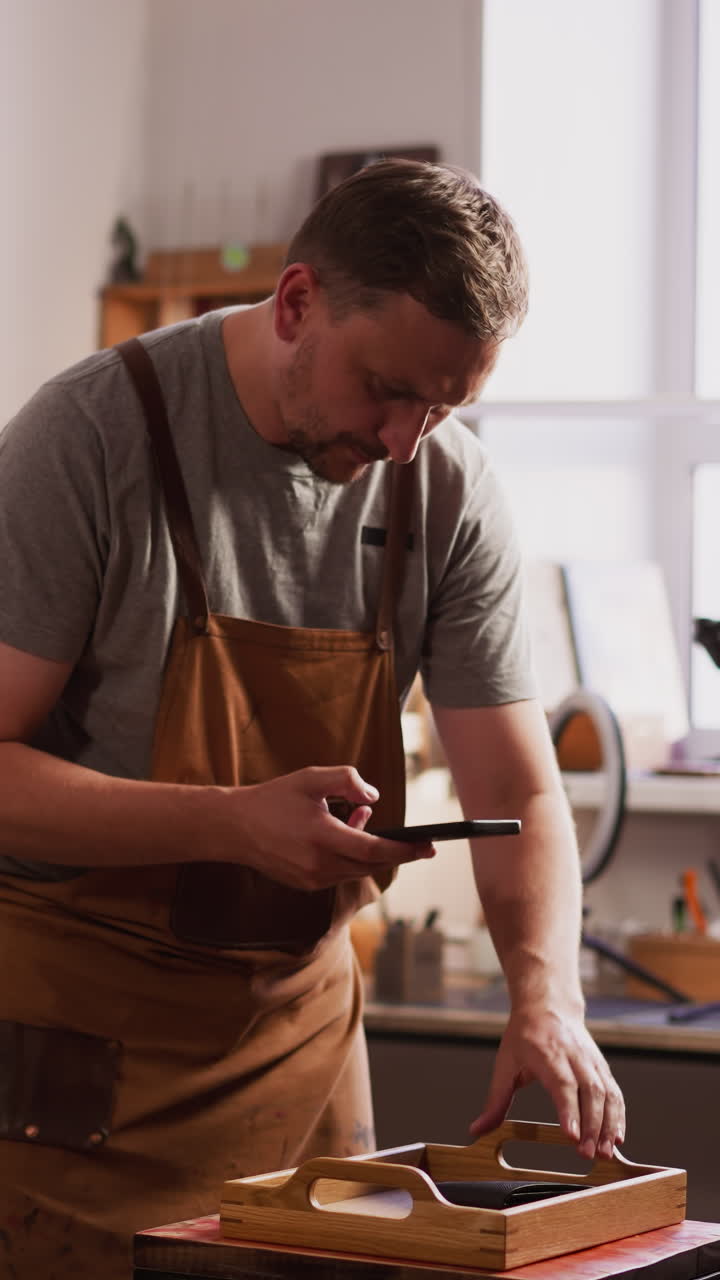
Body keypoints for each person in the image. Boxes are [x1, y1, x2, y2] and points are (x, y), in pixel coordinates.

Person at [0, 159, 624, 1277]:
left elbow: (518, 789)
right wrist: (230, 821)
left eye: (444, 405)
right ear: (296, 303)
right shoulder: (91, 439)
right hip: (69, 1059)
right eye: (385, 388)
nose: (403, 438)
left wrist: (548, 992)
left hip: (296, 1052)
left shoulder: (446, 487)